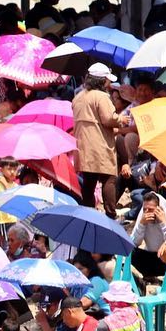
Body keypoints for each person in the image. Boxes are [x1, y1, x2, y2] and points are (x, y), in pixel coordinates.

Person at [72, 64, 122, 217]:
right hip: (99, 144)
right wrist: (120, 119)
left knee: (89, 179)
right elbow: (108, 119)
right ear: (102, 80)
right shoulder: (101, 96)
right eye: (107, 79)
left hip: (82, 144)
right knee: (109, 178)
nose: (109, 83)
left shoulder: (78, 96)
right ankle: (110, 214)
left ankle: (87, 213)